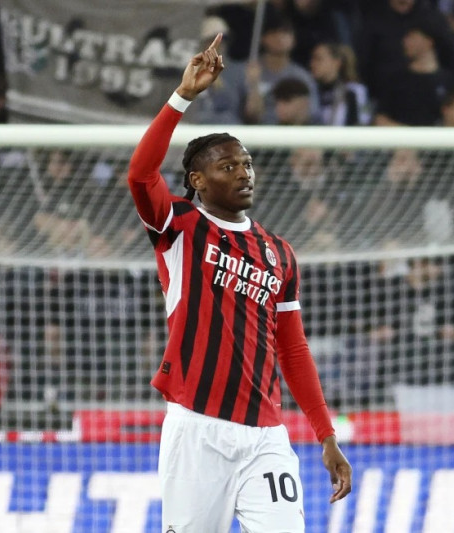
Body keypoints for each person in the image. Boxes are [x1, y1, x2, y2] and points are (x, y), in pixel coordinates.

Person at [127, 33, 352, 531]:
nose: (244, 172)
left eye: (247, 163)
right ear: (198, 180)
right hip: (196, 427)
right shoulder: (180, 227)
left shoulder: (279, 253)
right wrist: (181, 97)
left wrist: (326, 435)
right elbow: (141, 175)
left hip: (266, 436)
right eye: (227, 166)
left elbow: (292, 349)